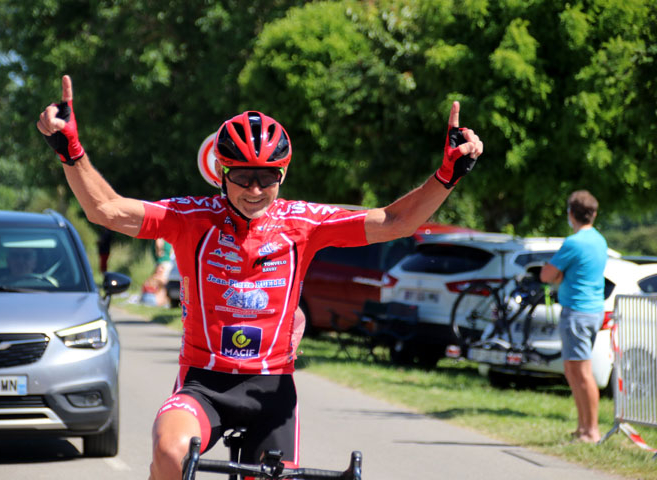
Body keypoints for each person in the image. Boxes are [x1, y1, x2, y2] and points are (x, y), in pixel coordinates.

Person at [36, 75, 482, 480]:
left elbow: (394, 221)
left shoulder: (303, 222)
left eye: (267, 178)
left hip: (272, 390)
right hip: (204, 382)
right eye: (243, 177)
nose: (254, 190)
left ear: (282, 175)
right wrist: (70, 149)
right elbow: (106, 209)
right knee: (170, 452)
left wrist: (446, 175)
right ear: (222, 174)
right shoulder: (190, 218)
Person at [540, 190, 607, 444]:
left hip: (578, 312)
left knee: (582, 373)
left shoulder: (574, 242)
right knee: (572, 370)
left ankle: (591, 431)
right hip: (590, 310)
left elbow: (546, 275)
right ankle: (582, 428)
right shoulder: (599, 240)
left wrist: (558, 275)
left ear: (571, 214)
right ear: (594, 213)